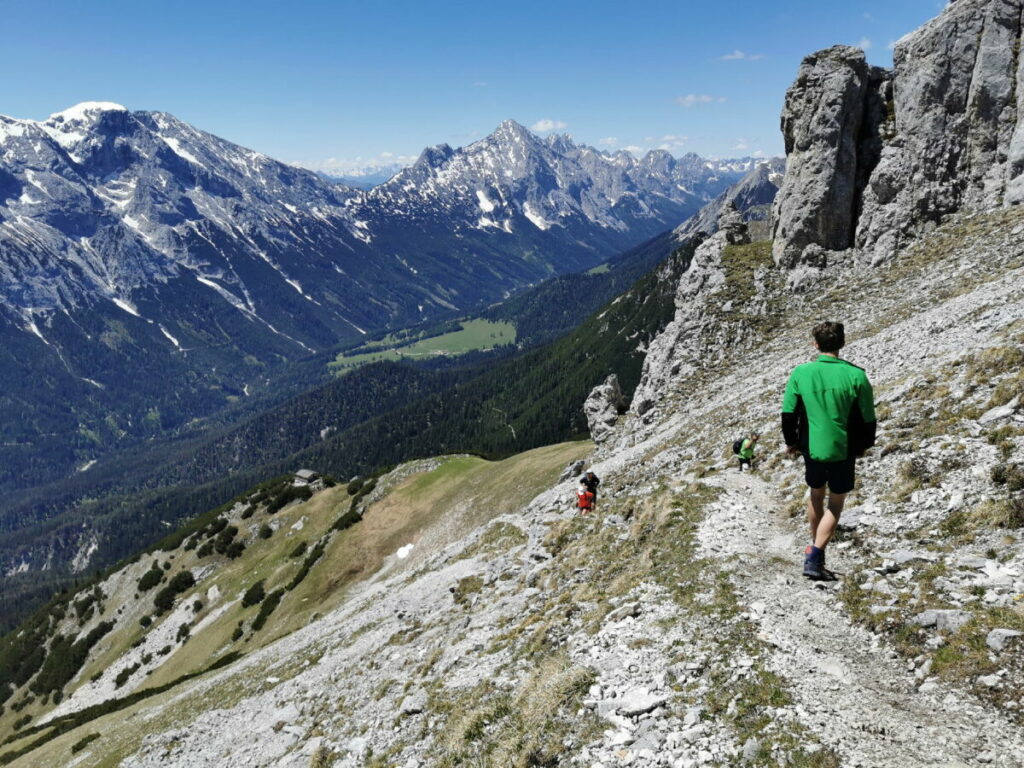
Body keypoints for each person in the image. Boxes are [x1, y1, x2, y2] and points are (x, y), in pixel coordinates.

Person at [781, 321, 876, 580]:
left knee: (815, 494)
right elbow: (868, 417)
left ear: (816, 344)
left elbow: (789, 414)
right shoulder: (857, 375)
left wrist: (791, 442)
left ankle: (816, 549)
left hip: (811, 447)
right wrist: (864, 445)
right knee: (836, 502)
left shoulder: (801, 373)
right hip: (843, 448)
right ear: (842, 343)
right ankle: (815, 553)